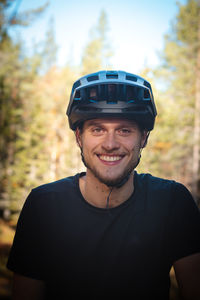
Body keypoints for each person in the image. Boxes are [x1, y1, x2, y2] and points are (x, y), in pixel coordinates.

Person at [7, 70, 200, 300]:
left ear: (144, 138)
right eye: (97, 129)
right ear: (79, 137)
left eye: (124, 130)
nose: (110, 144)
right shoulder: (43, 205)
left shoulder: (172, 202)